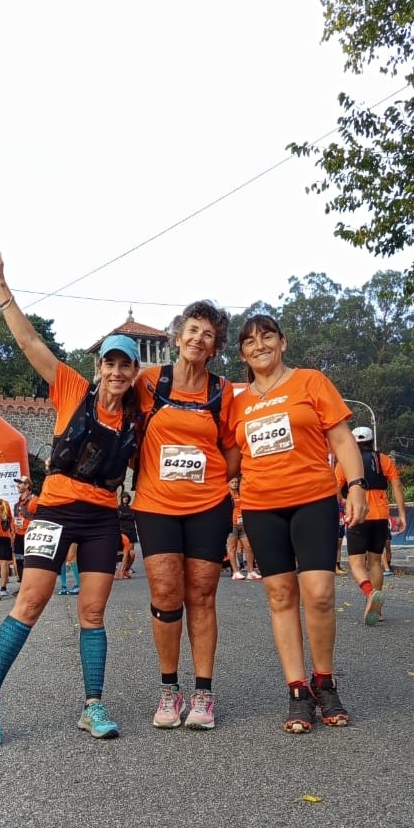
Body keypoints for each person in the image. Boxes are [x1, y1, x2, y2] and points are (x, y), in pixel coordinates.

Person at [0, 245, 139, 746]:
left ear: (134, 373)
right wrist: (1, 286)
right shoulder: (70, 387)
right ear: (99, 365)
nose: (116, 373)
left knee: (92, 612)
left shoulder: (136, 417)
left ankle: (92, 704)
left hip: (103, 519)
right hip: (56, 510)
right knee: (31, 601)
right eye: (109, 363)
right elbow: (27, 342)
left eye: (125, 366)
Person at [223, 313, 367, 732]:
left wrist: (355, 485)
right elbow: (231, 459)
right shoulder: (237, 403)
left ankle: (325, 680)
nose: (259, 345)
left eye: (267, 336)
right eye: (249, 341)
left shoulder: (311, 382)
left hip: (314, 499)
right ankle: (297, 690)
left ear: (282, 342)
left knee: (319, 593)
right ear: (243, 354)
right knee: (281, 595)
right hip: (261, 505)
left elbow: (341, 438)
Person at [132, 300, 234, 730]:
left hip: (208, 504)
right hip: (155, 504)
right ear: (177, 335)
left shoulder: (221, 390)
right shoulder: (150, 381)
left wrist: (208, 478)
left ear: (215, 347)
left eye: (207, 334)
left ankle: (204, 693)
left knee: (203, 594)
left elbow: (232, 450)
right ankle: (169, 689)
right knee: (165, 593)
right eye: (192, 330)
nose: (198, 338)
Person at [334, 426, 405, 626]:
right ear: (372, 441)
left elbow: (334, 488)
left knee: (356, 563)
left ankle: (370, 593)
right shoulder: (383, 459)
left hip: (357, 515)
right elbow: (397, 485)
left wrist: (345, 503)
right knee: (375, 562)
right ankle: (378, 609)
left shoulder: (345, 463)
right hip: (381, 516)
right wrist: (400, 514)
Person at [12, 477, 39, 582]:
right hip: (19, 536)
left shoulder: (34, 499)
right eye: (17, 483)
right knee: (19, 561)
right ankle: (22, 586)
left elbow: (40, 517)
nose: (18, 485)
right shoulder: (18, 503)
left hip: (30, 535)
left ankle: (34, 585)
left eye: (20, 483)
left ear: (27, 485)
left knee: (31, 561)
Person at [116, 489, 137, 577]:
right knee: (122, 550)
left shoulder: (131, 508)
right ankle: (118, 566)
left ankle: (127, 567)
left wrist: (125, 515)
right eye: (124, 497)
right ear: (122, 498)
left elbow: (133, 516)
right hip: (123, 531)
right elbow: (119, 516)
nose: (126, 499)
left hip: (131, 530)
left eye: (127, 497)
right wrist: (127, 515)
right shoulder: (118, 507)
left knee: (131, 550)